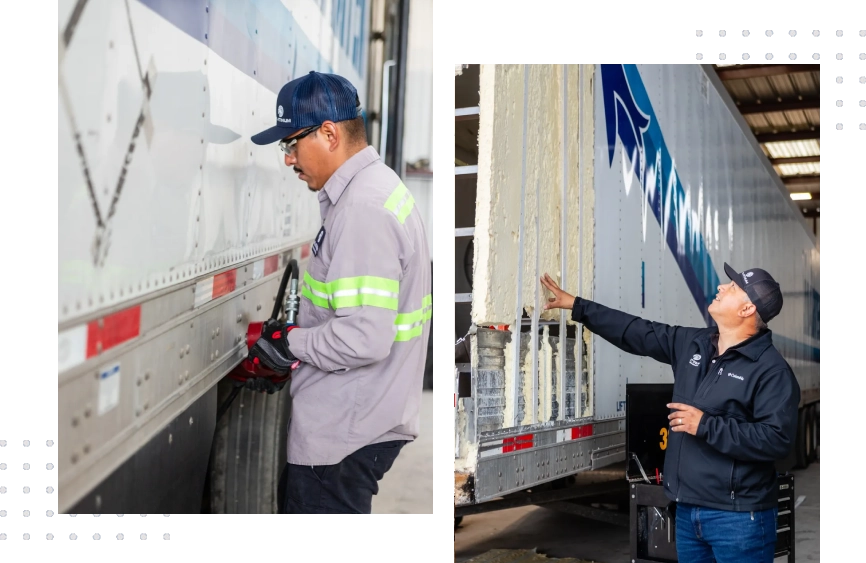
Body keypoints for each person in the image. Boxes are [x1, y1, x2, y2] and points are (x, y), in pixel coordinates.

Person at [247, 71, 432, 515]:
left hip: (344, 432)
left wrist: (289, 342)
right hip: (360, 419)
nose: (289, 159)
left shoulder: (363, 209)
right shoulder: (375, 191)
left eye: (291, 144)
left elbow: (363, 338)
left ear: (329, 134)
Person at [540, 263, 799, 563]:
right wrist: (578, 306)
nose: (721, 287)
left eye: (733, 288)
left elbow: (776, 440)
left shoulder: (772, 371)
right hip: (688, 513)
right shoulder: (694, 344)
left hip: (738, 520)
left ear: (747, 309)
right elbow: (637, 331)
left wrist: (705, 425)